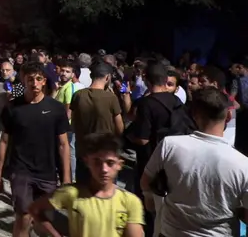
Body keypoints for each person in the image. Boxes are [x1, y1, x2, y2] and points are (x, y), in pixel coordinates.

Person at [141, 87, 248, 237]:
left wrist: (151, 201)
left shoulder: (169, 145)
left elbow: (146, 181)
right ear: (229, 116)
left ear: (194, 115)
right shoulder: (243, 164)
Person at [0, 62, 71, 237]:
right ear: (23, 81)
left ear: (44, 81)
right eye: (30, 79)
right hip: (21, 171)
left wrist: (66, 178)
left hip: (47, 173)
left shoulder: (56, 109)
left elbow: (63, 144)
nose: (34, 83)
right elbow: (4, 142)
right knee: (23, 217)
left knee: (43, 221)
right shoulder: (13, 108)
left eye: (38, 79)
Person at [29, 133, 144, 237]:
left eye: (110, 163)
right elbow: (35, 209)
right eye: (97, 162)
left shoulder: (130, 202)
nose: (104, 169)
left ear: (119, 164)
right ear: (87, 161)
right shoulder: (71, 193)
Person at [70, 62, 124, 183]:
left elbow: (73, 122)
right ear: (107, 77)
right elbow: (119, 127)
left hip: (84, 151)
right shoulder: (111, 98)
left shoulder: (78, 95)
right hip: (106, 153)